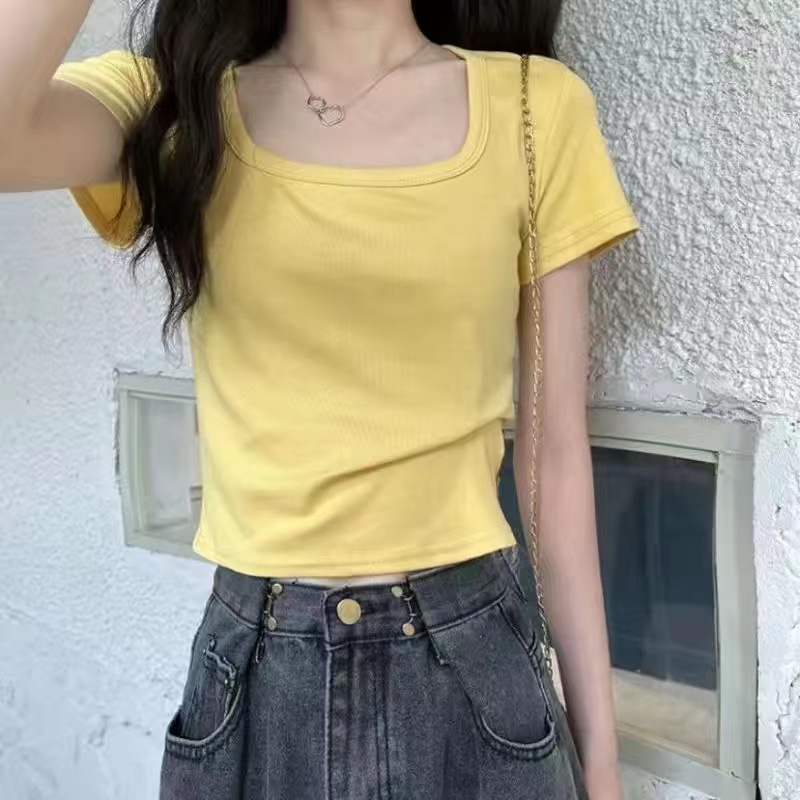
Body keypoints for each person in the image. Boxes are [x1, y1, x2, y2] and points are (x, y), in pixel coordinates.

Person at [1, 1, 639, 798]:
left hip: (473, 673)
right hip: (259, 680)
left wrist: (601, 763)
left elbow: (556, 455)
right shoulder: (174, 105)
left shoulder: (534, 109)